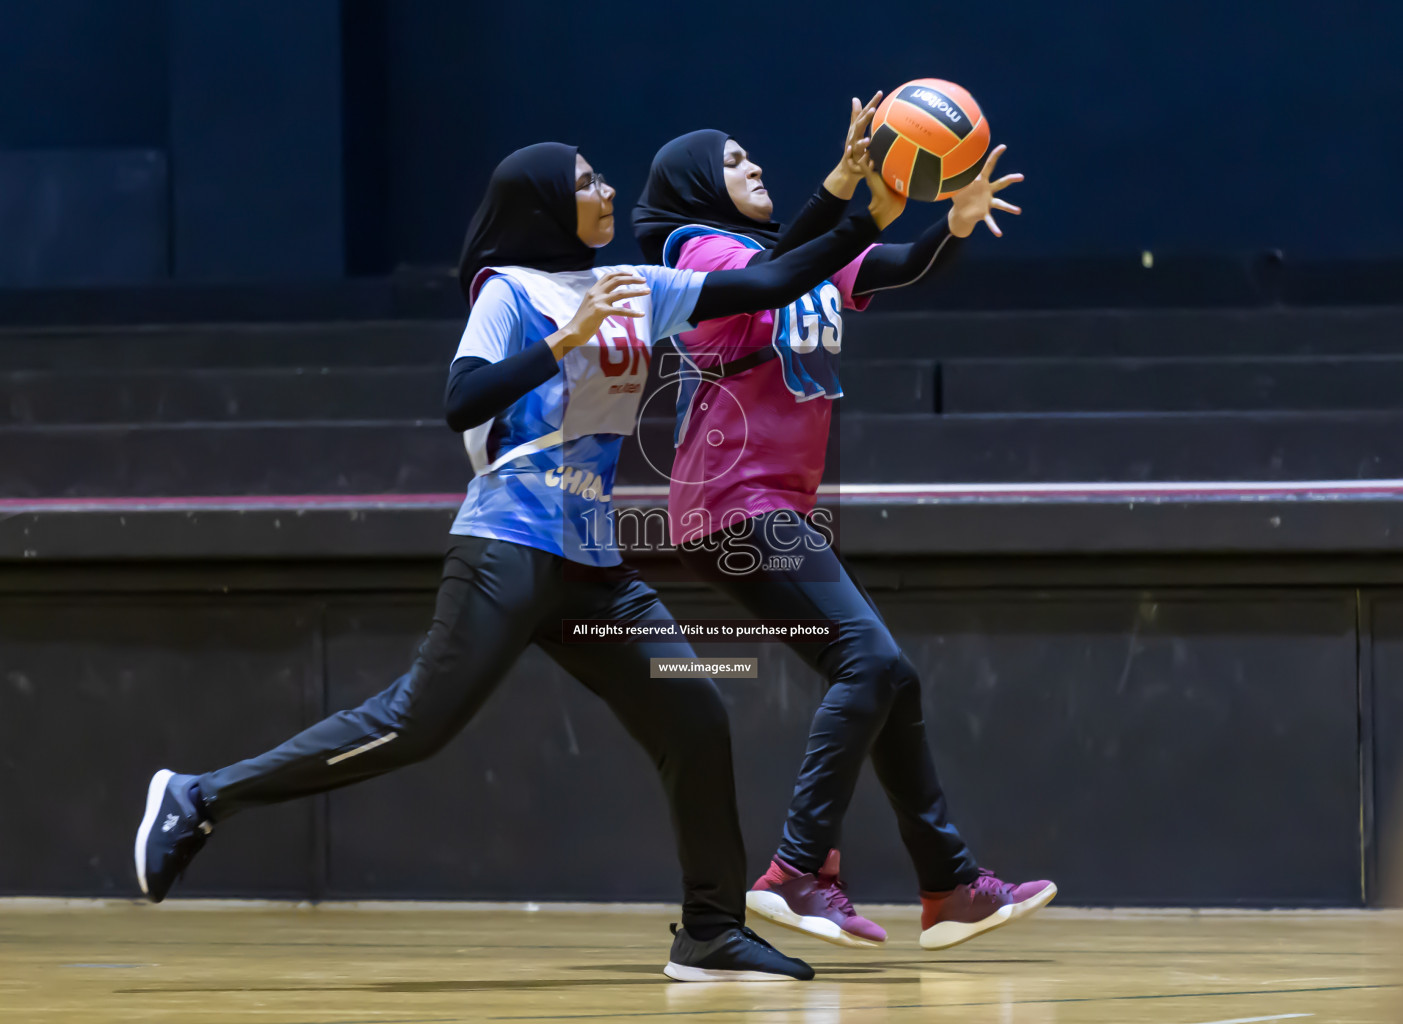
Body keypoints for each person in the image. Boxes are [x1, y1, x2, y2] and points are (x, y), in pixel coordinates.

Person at [134, 141, 905, 982]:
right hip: (509, 544)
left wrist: (858, 205)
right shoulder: (507, 292)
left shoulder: (637, 288)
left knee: (696, 713)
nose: (605, 188)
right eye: (583, 182)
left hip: (593, 564)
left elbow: (767, 284)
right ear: (542, 206)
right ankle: (199, 798)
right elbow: (461, 398)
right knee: (413, 726)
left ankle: (711, 930)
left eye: (600, 177)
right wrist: (560, 342)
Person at [632, 104, 1056, 952]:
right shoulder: (701, 255)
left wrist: (954, 228)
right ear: (692, 186)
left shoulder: (798, 255)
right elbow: (776, 276)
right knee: (872, 661)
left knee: (888, 679)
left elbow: (892, 266)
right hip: (729, 502)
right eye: (734, 159)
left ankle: (949, 887)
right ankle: (795, 872)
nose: (754, 167)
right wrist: (851, 199)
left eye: (754, 153)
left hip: (776, 508)